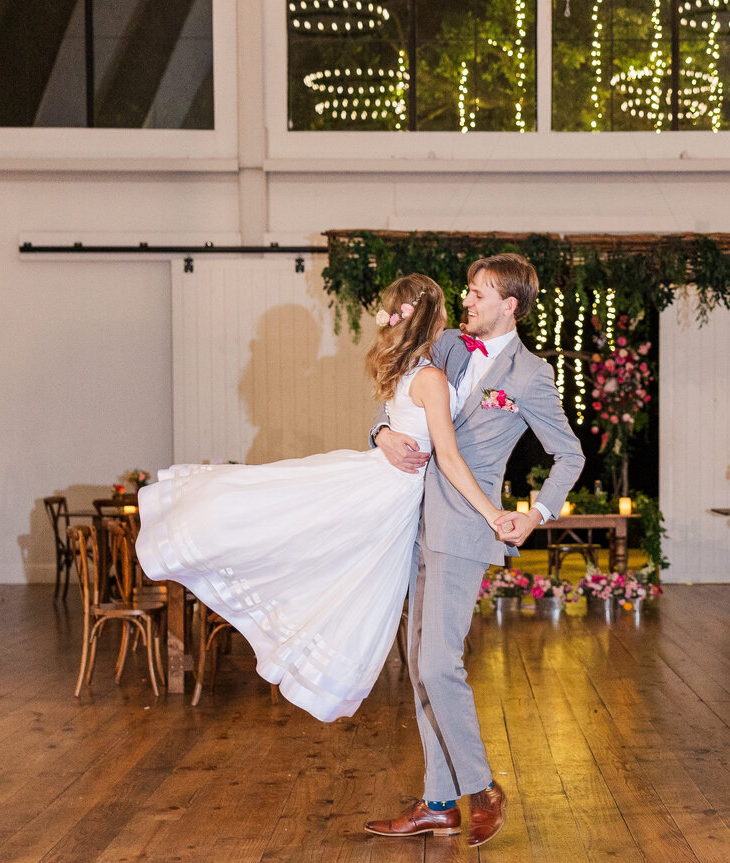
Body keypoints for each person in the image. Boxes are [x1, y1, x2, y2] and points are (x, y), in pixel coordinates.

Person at [135, 273, 505, 723]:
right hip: (389, 493)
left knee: (316, 553)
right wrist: (492, 513)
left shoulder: (407, 370)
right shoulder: (429, 377)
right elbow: (446, 455)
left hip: (388, 489)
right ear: (435, 317)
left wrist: (387, 432)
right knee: (323, 563)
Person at [364, 253, 585, 847]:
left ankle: (482, 787)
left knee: (438, 663)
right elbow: (398, 402)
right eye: (467, 290)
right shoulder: (446, 349)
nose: (468, 300)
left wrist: (536, 514)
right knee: (419, 665)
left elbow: (571, 455)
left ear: (510, 305)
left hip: (465, 528)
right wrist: (380, 436)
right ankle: (439, 803)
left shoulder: (531, 375)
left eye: (480, 293)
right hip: (407, 519)